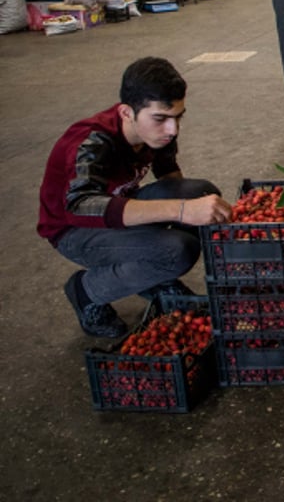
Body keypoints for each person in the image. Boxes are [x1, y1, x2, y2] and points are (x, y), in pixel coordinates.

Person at [39, 57, 232, 339]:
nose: (173, 129)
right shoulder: (91, 142)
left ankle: (156, 276)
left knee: (202, 193)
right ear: (127, 113)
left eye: (178, 116)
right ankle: (87, 291)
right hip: (75, 229)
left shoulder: (158, 133)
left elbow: (169, 175)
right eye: (161, 119)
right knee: (177, 250)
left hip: (117, 213)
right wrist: (180, 211)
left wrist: (194, 211)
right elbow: (80, 206)